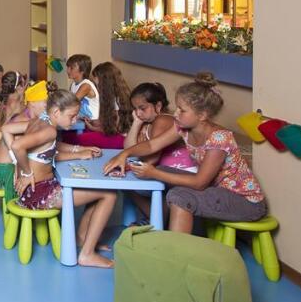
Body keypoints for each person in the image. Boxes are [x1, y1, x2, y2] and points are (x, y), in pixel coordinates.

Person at [104, 72, 267, 234]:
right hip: (216, 190)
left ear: (202, 115)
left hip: (244, 201)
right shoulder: (182, 127)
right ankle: (161, 219)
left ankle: (175, 249)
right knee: (160, 171)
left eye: (182, 110)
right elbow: (152, 145)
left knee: (178, 195)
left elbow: (199, 183)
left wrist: (153, 172)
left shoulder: (219, 139)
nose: (175, 113)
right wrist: (124, 154)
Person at [11, 88, 116, 268]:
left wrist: (79, 151)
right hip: (39, 192)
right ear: (56, 112)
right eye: (72, 116)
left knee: (96, 192)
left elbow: (49, 149)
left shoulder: (40, 120)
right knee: (109, 194)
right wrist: (27, 173)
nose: (75, 121)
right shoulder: (49, 131)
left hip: (34, 190)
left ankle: (82, 238)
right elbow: (17, 145)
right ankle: (87, 254)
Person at [122, 82, 197, 219]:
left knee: (128, 185)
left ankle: (159, 221)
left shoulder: (162, 120)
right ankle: (158, 220)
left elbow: (152, 158)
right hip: (167, 171)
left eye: (142, 108)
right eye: (135, 109)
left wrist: (128, 165)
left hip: (183, 173)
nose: (138, 113)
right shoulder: (148, 123)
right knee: (129, 182)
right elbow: (129, 148)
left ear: (158, 106)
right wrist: (136, 123)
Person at [0, 80, 48, 202]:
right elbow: (15, 148)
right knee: (37, 174)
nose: (47, 107)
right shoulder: (24, 120)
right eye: (45, 102)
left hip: (10, 164)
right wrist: (23, 170)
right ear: (33, 103)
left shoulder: (30, 117)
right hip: (5, 169)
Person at [61, 62, 131, 149]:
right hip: (111, 132)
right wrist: (94, 122)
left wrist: (94, 128)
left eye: (98, 84)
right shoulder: (111, 96)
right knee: (68, 133)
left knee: (75, 139)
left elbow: (115, 130)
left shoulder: (117, 99)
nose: (97, 86)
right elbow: (111, 122)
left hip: (120, 138)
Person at [65, 54, 99, 132]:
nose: (67, 71)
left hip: (92, 124)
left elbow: (70, 103)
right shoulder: (73, 85)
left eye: (71, 68)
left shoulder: (86, 85)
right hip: (81, 121)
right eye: (68, 67)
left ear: (82, 70)